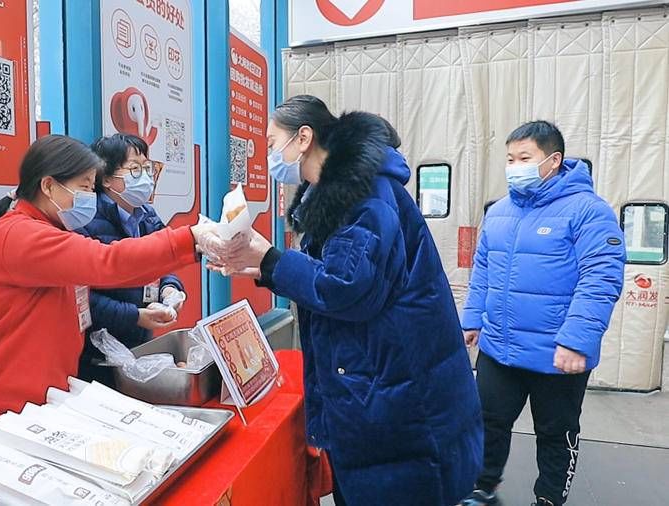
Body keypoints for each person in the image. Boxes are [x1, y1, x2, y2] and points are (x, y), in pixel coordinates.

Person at [217, 95, 483, 505]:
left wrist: (270, 259)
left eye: (272, 142)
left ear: (303, 138)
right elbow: (339, 267)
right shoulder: (344, 192)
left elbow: (348, 286)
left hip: (399, 396)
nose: (269, 154)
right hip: (384, 383)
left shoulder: (365, 195)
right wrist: (266, 269)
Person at [0, 135, 229, 455]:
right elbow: (106, 263)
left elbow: (116, 272)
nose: (90, 198)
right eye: (84, 187)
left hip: (32, 409)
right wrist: (190, 240)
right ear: (48, 186)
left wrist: (166, 285)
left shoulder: (48, 229)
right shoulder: (21, 234)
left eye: (92, 188)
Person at [460, 122, 625, 506]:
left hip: (557, 355)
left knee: (556, 433)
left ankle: (549, 499)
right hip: (499, 349)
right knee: (486, 422)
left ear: (553, 161)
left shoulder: (588, 211)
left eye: (524, 158)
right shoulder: (499, 212)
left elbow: (601, 277)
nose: (514, 166)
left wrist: (575, 341)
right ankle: (482, 490)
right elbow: (483, 269)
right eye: (510, 159)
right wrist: (471, 320)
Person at [76, 134, 185, 383]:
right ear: (105, 179)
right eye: (134, 169)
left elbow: (164, 260)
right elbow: (82, 297)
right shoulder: (85, 221)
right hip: (97, 353)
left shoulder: (147, 215)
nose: (145, 177)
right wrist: (134, 315)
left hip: (138, 342)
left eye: (147, 168)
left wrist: (171, 289)